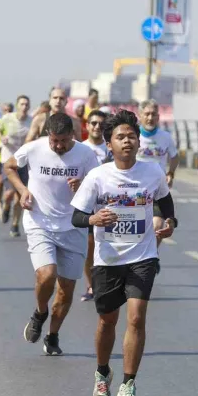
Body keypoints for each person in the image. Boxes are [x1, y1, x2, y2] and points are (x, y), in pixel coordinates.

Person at [70, 109, 177, 396]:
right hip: (107, 259)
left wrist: (170, 222)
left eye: (132, 135)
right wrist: (95, 218)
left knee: (136, 317)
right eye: (120, 137)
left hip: (143, 256)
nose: (127, 141)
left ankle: (128, 384)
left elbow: (166, 202)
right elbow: (77, 216)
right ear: (110, 144)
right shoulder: (98, 177)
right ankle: (103, 372)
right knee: (107, 320)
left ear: (139, 141)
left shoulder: (152, 172)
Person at [4, 113, 98, 355]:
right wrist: (22, 189)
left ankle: (53, 335)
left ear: (72, 136)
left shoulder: (86, 155)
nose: (58, 146)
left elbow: (100, 185)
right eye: (54, 141)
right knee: (47, 275)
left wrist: (84, 185)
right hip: (40, 223)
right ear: (48, 135)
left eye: (63, 141)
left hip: (73, 227)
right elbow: (9, 166)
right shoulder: (33, 149)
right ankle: (40, 312)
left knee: (66, 290)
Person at [137, 100, 179, 272]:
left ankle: (151, 255)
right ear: (140, 116)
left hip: (158, 189)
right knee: (138, 227)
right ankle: (138, 256)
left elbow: (174, 156)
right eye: (146, 114)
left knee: (157, 225)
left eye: (154, 114)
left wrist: (171, 173)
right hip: (138, 190)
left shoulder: (165, 137)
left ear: (158, 116)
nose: (150, 117)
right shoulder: (133, 137)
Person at [79, 109, 111, 302]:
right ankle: (91, 286)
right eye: (93, 123)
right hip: (89, 205)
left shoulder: (111, 148)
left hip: (111, 205)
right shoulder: (79, 149)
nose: (97, 127)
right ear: (87, 126)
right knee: (90, 247)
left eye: (101, 124)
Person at [0, 95, 33, 236]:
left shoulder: (31, 121)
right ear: (17, 106)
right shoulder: (7, 118)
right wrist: (2, 138)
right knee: (9, 194)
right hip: (8, 159)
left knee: (21, 195)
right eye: (22, 104)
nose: (24, 107)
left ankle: (14, 225)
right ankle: (6, 207)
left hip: (24, 161)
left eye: (26, 104)